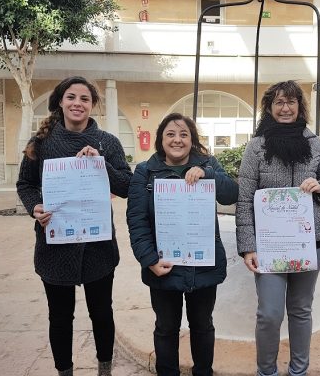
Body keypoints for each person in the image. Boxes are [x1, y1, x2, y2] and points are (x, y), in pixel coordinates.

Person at [16, 76, 132, 376]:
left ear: (93, 105)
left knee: (102, 313)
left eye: (84, 98)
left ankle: (104, 370)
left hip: (98, 247)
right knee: (60, 317)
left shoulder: (108, 142)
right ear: (60, 102)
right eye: (71, 97)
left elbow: (127, 186)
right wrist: (34, 208)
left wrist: (101, 163)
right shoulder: (40, 143)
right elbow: (25, 184)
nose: (77, 103)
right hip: (54, 246)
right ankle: (64, 371)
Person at [235, 80, 320, 376]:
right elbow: (244, 199)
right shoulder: (256, 147)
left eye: (291, 102)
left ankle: (298, 371)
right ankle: (266, 371)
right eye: (279, 102)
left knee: (301, 310)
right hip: (270, 245)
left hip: (312, 242)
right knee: (269, 314)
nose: (285, 108)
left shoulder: (315, 143)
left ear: (299, 107)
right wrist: (248, 245)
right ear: (269, 107)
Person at [126, 113, 238, 376]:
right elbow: (137, 220)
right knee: (166, 328)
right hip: (163, 265)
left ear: (192, 140)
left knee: (202, 325)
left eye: (184, 134)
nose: (177, 140)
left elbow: (230, 194)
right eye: (170, 134)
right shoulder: (145, 171)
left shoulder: (208, 163)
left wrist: (208, 173)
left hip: (203, 265)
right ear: (161, 139)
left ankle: (203, 372)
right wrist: (149, 259)